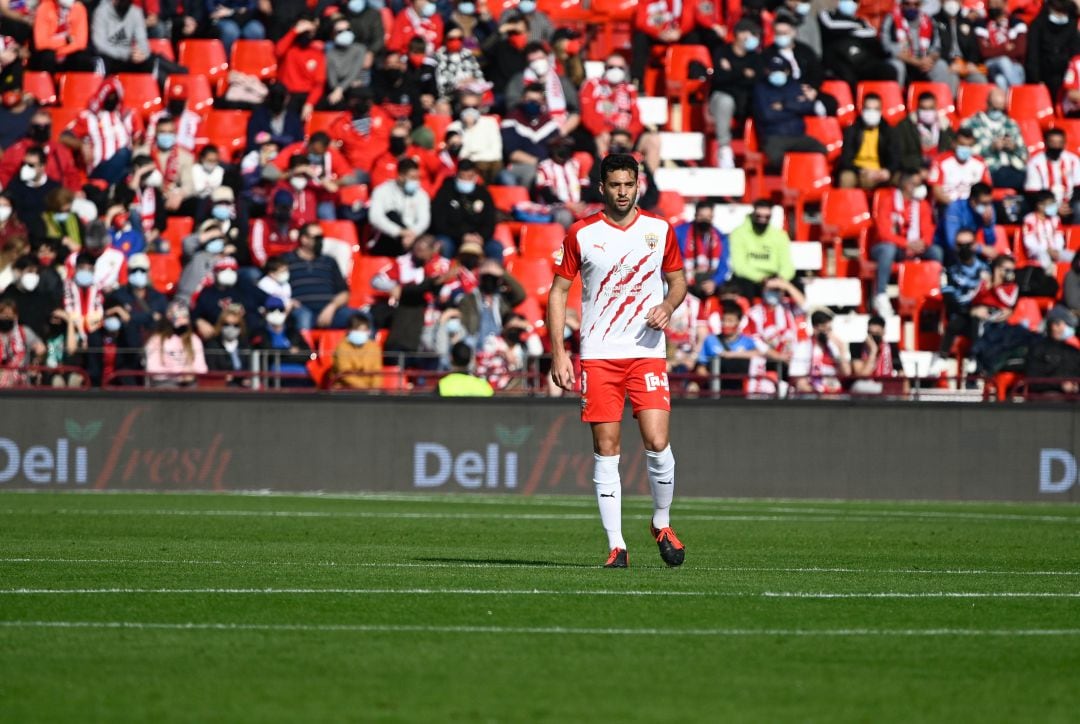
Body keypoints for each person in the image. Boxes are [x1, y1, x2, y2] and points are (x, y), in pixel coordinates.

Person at [547, 151, 687, 569]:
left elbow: (678, 281)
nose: (623, 192)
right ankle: (617, 546)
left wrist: (668, 305)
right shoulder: (582, 233)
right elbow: (558, 291)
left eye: (630, 184)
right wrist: (558, 350)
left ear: (637, 184)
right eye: (616, 185)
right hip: (599, 356)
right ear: (602, 187)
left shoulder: (660, 229)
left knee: (658, 443)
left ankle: (661, 522)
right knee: (606, 451)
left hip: (645, 353)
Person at [872, 172, 943, 316]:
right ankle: (880, 295)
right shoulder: (888, 201)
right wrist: (907, 244)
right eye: (916, 184)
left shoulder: (922, 204)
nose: (920, 188)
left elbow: (929, 229)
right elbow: (884, 233)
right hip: (888, 247)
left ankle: (935, 288)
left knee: (936, 251)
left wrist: (923, 243)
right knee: (888, 249)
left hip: (914, 246)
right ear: (906, 185)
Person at [752, 55, 827, 169]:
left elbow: (808, 107)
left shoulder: (794, 86)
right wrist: (795, 109)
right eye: (773, 71)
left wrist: (784, 105)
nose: (776, 73)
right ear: (767, 71)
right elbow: (767, 115)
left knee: (820, 150)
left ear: (787, 71)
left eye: (780, 70)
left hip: (798, 136)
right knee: (776, 160)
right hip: (774, 136)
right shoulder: (760, 89)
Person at [708, 20, 763, 169]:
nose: (754, 38)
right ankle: (724, 149)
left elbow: (756, 79)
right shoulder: (722, 52)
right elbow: (719, 79)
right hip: (720, 97)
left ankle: (758, 146)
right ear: (739, 34)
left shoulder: (756, 57)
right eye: (751, 34)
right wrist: (743, 73)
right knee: (725, 101)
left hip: (744, 99)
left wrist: (732, 71)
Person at [283, 223, 357, 329]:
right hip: (301, 310)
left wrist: (332, 307)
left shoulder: (329, 261)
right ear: (304, 239)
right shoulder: (286, 260)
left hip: (331, 312)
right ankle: (301, 345)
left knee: (361, 318)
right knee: (303, 317)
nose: (320, 241)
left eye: (321, 237)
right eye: (317, 238)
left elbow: (344, 293)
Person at [881, 0, 959, 94]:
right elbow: (887, 46)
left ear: (920, 5)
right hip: (903, 60)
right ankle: (895, 102)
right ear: (901, 4)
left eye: (916, 4)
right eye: (907, 4)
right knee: (896, 66)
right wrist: (916, 62)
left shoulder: (928, 20)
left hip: (923, 61)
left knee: (941, 66)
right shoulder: (891, 18)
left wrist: (930, 59)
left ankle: (941, 103)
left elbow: (936, 48)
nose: (912, 7)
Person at [818, 0, 898, 91]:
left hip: (861, 60)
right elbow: (830, 25)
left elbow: (871, 34)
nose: (851, 3)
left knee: (888, 70)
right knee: (847, 75)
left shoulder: (861, 21)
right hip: (838, 60)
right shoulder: (827, 15)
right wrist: (856, 27)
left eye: (855, 1)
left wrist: (852, 29)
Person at [430, 159, 499, 260]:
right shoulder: (445, 192)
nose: (466, 180)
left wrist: (481, 237)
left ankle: (492, 274)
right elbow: (439, 223)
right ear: (457, 176)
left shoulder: (483, 194)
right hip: (452, 237)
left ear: (475, 177)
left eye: (469, 177)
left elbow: (490, 221)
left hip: (478, 238)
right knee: (444, 244)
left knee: (495, 248)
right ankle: (444, 273)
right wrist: (462, 235)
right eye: (462, 177)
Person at [938, 229, 992, 357]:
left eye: (968, 245)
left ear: (974, 245)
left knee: (978, 319)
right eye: (960, 245)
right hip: (959, 316)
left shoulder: (986, 269)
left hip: (983, 317)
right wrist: (970, 311)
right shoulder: (948, 270)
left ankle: (976, 360)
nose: (965, 249)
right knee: (955, 324)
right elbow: (949, 300)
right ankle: (942, 358)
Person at [727, 200, 795, 298]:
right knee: (743, 286)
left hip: (774, 277)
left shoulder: (780, 235)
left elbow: (787, 264)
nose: (762, 220)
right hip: (750, 278)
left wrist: (780, 279)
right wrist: (762, 278)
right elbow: (739, 266)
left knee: (797, 287)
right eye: (759, 216)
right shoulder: (738, 233)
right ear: (753, 214)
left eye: (767, 217)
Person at [963, 87, 1027, 190]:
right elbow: (965, 152)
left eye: (1000, 109)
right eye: (994, 108)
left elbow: (1024, 154)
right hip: (989, 169)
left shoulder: (1011, 124)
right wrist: (990, 148)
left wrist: (1014, 147)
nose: (997, 112)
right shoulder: (972, 123)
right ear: (987, 103)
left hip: (1014, 169)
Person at [0, 110, 81, 191]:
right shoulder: (17, 150)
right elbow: (5, 174)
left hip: (57, 197)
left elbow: (72, 175)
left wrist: (75, 191)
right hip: (25, 195)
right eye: (38, 127)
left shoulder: (60, 150)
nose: (42, 130)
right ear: (31, 128)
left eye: (46, 126)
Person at [499, 83, 560, 187]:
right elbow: (513, 154)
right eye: (529, 100)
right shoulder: (511, 121)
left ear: (543, 102)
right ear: (523, 99)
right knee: (531, 173)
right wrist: (539, 164)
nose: (532, 103)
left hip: (548, 166)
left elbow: (557, 147)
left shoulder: (549, 123)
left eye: (536, 101)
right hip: (521, 166)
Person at [367, 157, 432, 257]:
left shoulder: (421, 195)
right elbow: (375, 217)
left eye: (417, 177)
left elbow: (424, 220)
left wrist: (411, 233)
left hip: (413, 237)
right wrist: (399, 232)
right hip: (388, 237)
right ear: (401, 176)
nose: (416, 181)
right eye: (412, 178)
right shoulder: (382, 190)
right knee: (391, 214)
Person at [837, 93, 899, 189]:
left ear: (881, 111)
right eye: (868, 109)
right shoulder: (852, 130)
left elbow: (895, 158)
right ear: (862, 110)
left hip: (880, 171)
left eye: (875, 109)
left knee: (901, 177)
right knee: (846, 177)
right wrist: (862, 171)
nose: (872, 113)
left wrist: (887, 171)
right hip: (859, 172)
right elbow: (845, 160)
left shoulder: (888, 131)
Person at [674, 200, 729, 299]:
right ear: (695, 215)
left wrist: (714, 282)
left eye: (708, 217)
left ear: (712, 217)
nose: (704, 220)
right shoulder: (680, 233)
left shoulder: (720, 237)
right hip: (683, 283)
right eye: (701, 216)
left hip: (709, 283)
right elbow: (670, 259)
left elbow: (724, 266)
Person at [144, 302, 208, 386]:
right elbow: (153, 369)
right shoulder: (156, 340)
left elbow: (202, 368)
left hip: (189, 382)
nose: (182, 321)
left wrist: (191, 373)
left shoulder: (194, 339)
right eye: (178, 317)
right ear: (169, 318)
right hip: (165, 383)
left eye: (185, 317)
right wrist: (177, 375)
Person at [1025, 0, 1080, 97]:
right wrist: (1037, 80)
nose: (1059, 15)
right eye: (1057, 11)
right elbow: (1033, 56)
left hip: (1067, 77)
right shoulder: (1038, 25)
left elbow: (1075, 54)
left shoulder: (1071, 25)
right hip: (1044, 77)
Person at [1025, 128, 1080, 223]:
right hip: (1046, 203)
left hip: (1069, 204)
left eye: (1059, 143)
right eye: (1053, 142)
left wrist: (1068, 205)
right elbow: (1033, 193)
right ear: (1046, 143)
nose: (1056, 146)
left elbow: (1078, 187)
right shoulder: (1035, 163)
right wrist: (1055, 207)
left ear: (1064, 144)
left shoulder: (1073, 160)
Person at [275, 17, 326, 120]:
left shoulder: (318, 54)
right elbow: (278, 51)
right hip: (287, 94)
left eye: (309, 31)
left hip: (306, 96)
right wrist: (295, 31)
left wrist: (309, 103)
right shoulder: (288, 49)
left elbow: (319, 84)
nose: (306, 33)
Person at [6, 147, 59, 242]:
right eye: (24, 164)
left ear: (42, 166)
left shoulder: (54, 188)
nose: (25, 168)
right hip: (23, 237)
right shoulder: (14, 186)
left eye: (31, 165)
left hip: (50, 237)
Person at [935, 182, 999, 260]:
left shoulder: (989, 210)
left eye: (989, 203)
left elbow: (990, 243)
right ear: (972, 201)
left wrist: (987, 225)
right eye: (983, 203)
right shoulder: (955, 208)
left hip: (970, 247)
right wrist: (980, 249)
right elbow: (952, 242)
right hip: (946, 248)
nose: (987, 207)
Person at [928, 129, 992, 206]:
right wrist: (955, 207)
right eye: (962, 145)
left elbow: (986, 191)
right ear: (954, 144)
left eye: (969, 146)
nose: (965, 148)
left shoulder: (980, 163)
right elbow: (936, 192)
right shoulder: (940, 161)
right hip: (948, 204)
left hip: (973, 205)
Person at [896, 91, 956, 172]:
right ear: (918, 108)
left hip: (940, 168)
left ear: (936, 107)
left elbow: (951, 148)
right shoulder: (906, 126)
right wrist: (919, 167)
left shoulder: (944, 125)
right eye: (923, 108)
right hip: (915, 169)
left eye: (930, 108)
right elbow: (901, 156)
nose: (927, 112)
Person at [794, 310, 851, 394]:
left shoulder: (835, 346)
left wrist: (841, 351)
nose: (827, 332)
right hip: (814, 393)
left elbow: (846, 373)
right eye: (823, 328)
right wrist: (821, 391)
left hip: (835, 391)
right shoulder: (803, 346)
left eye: (829, 329)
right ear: (815, 328)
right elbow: (800, 383)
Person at [30, 0, 93, 74]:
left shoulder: (79, 8)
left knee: (83, 58)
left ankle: (77, 85)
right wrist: (65, 41)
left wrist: (62, 52)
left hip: (68, 52)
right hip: (49, 52)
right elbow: (41, 43)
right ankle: (47, 84)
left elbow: (81, 43)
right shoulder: (44, 8)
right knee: (48, 56)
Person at [91, 0, 153, 75]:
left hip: (129, 59)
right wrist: (127, 54)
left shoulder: (136, 12)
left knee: (150, 61)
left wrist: (142, 53)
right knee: (102, 60)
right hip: (109, 57)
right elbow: (99, 45)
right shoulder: (101, 12)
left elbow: (142, 41)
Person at [976, 0, 1028, 89]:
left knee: (1000, 79)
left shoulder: (1017, 23)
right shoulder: (981, 25)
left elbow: (1020, 50)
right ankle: (1019, 93)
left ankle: (1010, 102)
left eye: (997, 3)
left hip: (1014, 65)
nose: (993, 7)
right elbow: (984, 52)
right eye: (991, 4)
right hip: (991, 65)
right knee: (1003, 61)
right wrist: (1005, 47)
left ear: (1005, 4)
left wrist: (994, 49)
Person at [1022, 190, 1072, 272]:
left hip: (1056, 250)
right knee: (1045, 260)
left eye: (1054, 203)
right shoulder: (1029, 219)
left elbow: (1059, 237)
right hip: (1038, 252)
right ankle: (1048, 282)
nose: (1054, 206)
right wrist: (1046, 249)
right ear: (1040, 205)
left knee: (1075, 258)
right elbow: (1029, 241)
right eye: (1050, 204)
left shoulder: (1055, 219)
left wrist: (1056, 250)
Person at [0, 297, 45, 386]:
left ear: (15, 316)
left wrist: (36, 361)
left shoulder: (23, 331)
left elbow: (41, 349)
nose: (6, 318)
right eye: (3, 315)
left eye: (9, 315)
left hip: (21, 382)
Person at [204, 303, 252, 384]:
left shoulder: (245, 344)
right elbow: (212, 368)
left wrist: (247, 378)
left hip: (243, 387)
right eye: (226, 324)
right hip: (221, 387)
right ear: (220, 325)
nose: (231, 328)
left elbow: (250, 367)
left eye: (235, 325)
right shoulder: (213, 345)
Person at [331, 313, 382, 389]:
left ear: (368, 331)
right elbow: (345, 373)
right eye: (356, 330)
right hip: (344, 391)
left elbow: (377, 373)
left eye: (363, 330)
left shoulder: (374, 347)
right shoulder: (341, 347)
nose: (360, 333)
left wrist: (375, 390)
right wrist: (365, 389)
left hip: (369, 393)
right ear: (348, 330)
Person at [850, 314, 902, 381]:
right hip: (866, 384)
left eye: (877, 334)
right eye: (871, 333)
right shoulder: (857, 347)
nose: (874, 337)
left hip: (886, 383)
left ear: (883, 332)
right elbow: (862, 375)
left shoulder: (891, 347)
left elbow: (901, 372)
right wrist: (873, 351)